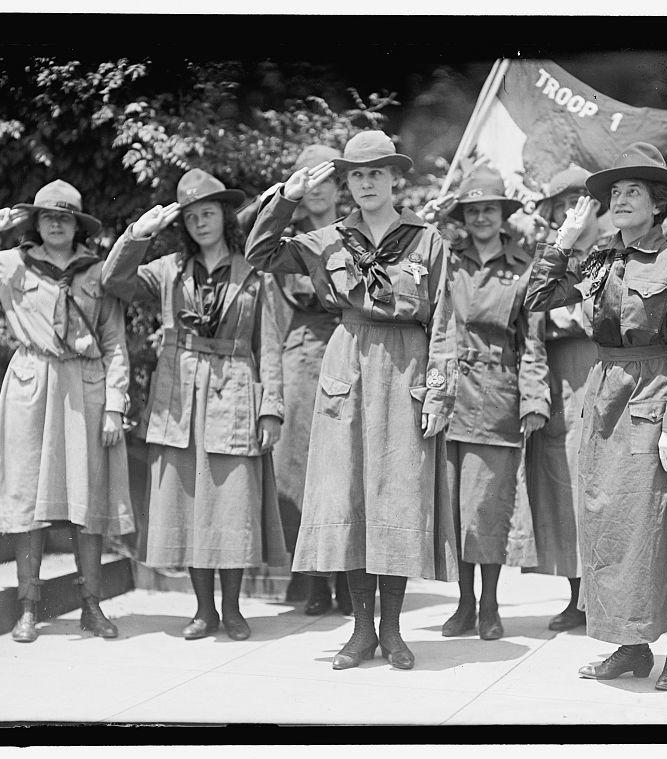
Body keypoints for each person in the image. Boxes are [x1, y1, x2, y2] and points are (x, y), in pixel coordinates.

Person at [246, 130, 459, 671]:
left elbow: (443, 323)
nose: (365, 183)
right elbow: (262, 253)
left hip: (406, 367)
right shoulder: (328, 240)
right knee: (349, 499)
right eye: (356, 175)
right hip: (347, 368)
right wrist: (287, 198)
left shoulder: (427, 240)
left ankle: (392, 632)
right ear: (346, 183)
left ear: (394, 178)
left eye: (375, 173)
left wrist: (438, 392)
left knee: (398, 499)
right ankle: (360, 632)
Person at [520, 110, 667, 633]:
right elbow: (539, 298)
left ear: (658, 203)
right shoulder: (598, 259)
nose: (619, 200)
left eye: (632, 191)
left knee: (666, 519)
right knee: (609, 521)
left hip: (654, 400)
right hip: (606, 400)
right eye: (614, 192)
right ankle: (629, 641)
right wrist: (564, 241)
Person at [0, 180, 134, 643]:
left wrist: (115, 405)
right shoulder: (12, 264)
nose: (56, 223)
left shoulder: (97, 272)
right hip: (32, 383)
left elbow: (115, 344)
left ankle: (91, 604)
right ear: (36, 223)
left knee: (89, 499)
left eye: (65, 217)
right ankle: (29, 605)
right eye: (48, 216)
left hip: (85, 387)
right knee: (28, 496)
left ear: (78, 224)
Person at [101, 168, 286, 642]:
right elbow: (114, 281)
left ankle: (232, 609)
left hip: (236, 389)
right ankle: (204, 611)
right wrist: (138, 236)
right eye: (191, 216)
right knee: (188, 504)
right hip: (179, 396)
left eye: (208, 213)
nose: (201, 222)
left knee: (232, 504)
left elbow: (270, 345)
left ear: (225, 216)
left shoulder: (253, 273)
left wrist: (271, 407)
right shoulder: (167, 271)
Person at [436, 167, 551, 641]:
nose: (481, 216)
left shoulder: (523, 268)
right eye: (473, 209)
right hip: (448, 395)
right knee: (454, 507)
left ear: (503, 215)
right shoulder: (445, 261)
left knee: (487, 507)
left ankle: (488, 606)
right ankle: (462, 605)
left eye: (490, 208)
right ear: (463, 216)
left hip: (497, 397)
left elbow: (532, 343)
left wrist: (533, 399)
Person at [249, 145, 354, 617]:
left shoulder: (356, 239)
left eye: (326, 181)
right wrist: (272, 399)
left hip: (350, 360)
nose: (317, 191)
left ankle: (349, 578)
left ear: (340, 187)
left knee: (348, 474)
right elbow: (269, 331)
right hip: (299, 368)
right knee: (299, 478)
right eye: (307, 181)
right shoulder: (285, 248)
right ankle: (312, 579)